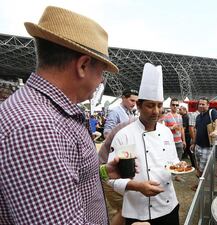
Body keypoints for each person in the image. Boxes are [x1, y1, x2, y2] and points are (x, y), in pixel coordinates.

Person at [0, 6, 131, 224]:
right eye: (101, 73)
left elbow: (65, 180)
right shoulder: (36, 129)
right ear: (83, 65)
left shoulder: (48, 113)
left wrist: (102, 173)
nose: (100, 81)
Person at [109, 63, 181, 225]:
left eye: (159, 105)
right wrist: (137, 186)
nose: (156, 111)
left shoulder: (166, 132)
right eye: (150, 105)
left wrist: (179, 166)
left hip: (168, 206)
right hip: (138, 212)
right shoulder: (125, 136)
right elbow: (112, 178)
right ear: (139, 105)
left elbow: (173, 163)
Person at [190, 97, 217, 190]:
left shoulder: (212, 112)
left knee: (202, 169)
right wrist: (193, 143)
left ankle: (202, 186)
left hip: (207, 147)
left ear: (208, 105)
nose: (201, 106)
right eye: (200, 104)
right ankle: (201, 184)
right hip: (198, 146)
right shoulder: (198, 116)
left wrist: (216, 130)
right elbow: (196, 130)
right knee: (199, 167)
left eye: (203, 104)